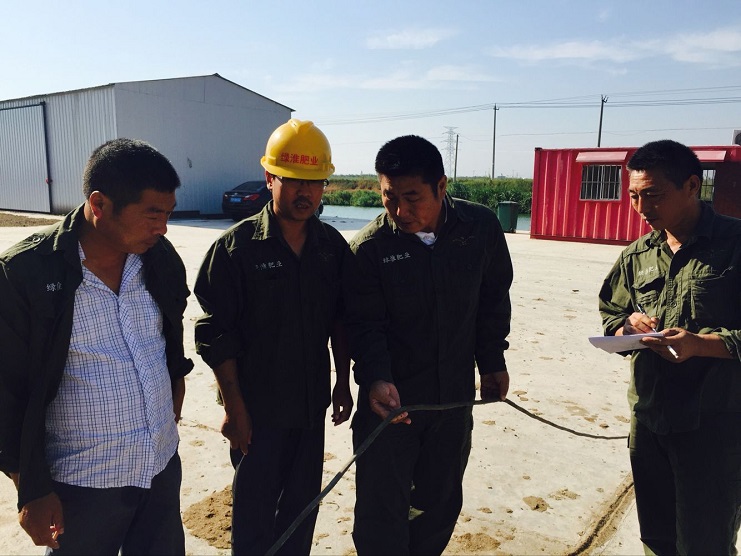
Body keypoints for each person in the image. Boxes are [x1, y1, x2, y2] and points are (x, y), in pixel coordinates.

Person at [0, 138, 193, 554]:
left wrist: (175, 380)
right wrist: (29, 487)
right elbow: (5, 391)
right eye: (152, 214)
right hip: (81, 485)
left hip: (159, 464)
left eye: (168, 214)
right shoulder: (27, 273)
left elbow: (170, 332)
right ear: (99, 204)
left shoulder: (158, 258)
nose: (162, 227)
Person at [345, 134, 513, 555]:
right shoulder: (369, 249)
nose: (400, 211)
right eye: (389, 197)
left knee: (439, 505)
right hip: (391, 407)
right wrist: (376, 379)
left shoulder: (479, 229)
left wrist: (492, 361)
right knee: (381, 513)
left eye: (412, 198)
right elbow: (364, 327)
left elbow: (493, 299)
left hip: (452, 402)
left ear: (441, 186)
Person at [194, 118, 353, 555]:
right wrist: (234, 408)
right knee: (254, 515)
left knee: (302, 511)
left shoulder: (331, 248)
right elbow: (215, 334)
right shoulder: (236, 249)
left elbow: (341, 320)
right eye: (294, 181)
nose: (307, 193)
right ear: (270, 178)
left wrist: (343, 381)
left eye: (315, 183)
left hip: (310, 407)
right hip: (257, 413)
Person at [598, 139, 741, 555]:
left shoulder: (734, 245)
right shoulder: (637, 255)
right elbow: (612, 312)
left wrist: (702, 345)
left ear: (692, 186)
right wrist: (626, 327)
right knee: (657, 540)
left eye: (654, 195)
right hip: (650, 421)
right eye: (634, 196)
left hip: (715, 427)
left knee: (705, 543)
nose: (642, 208)